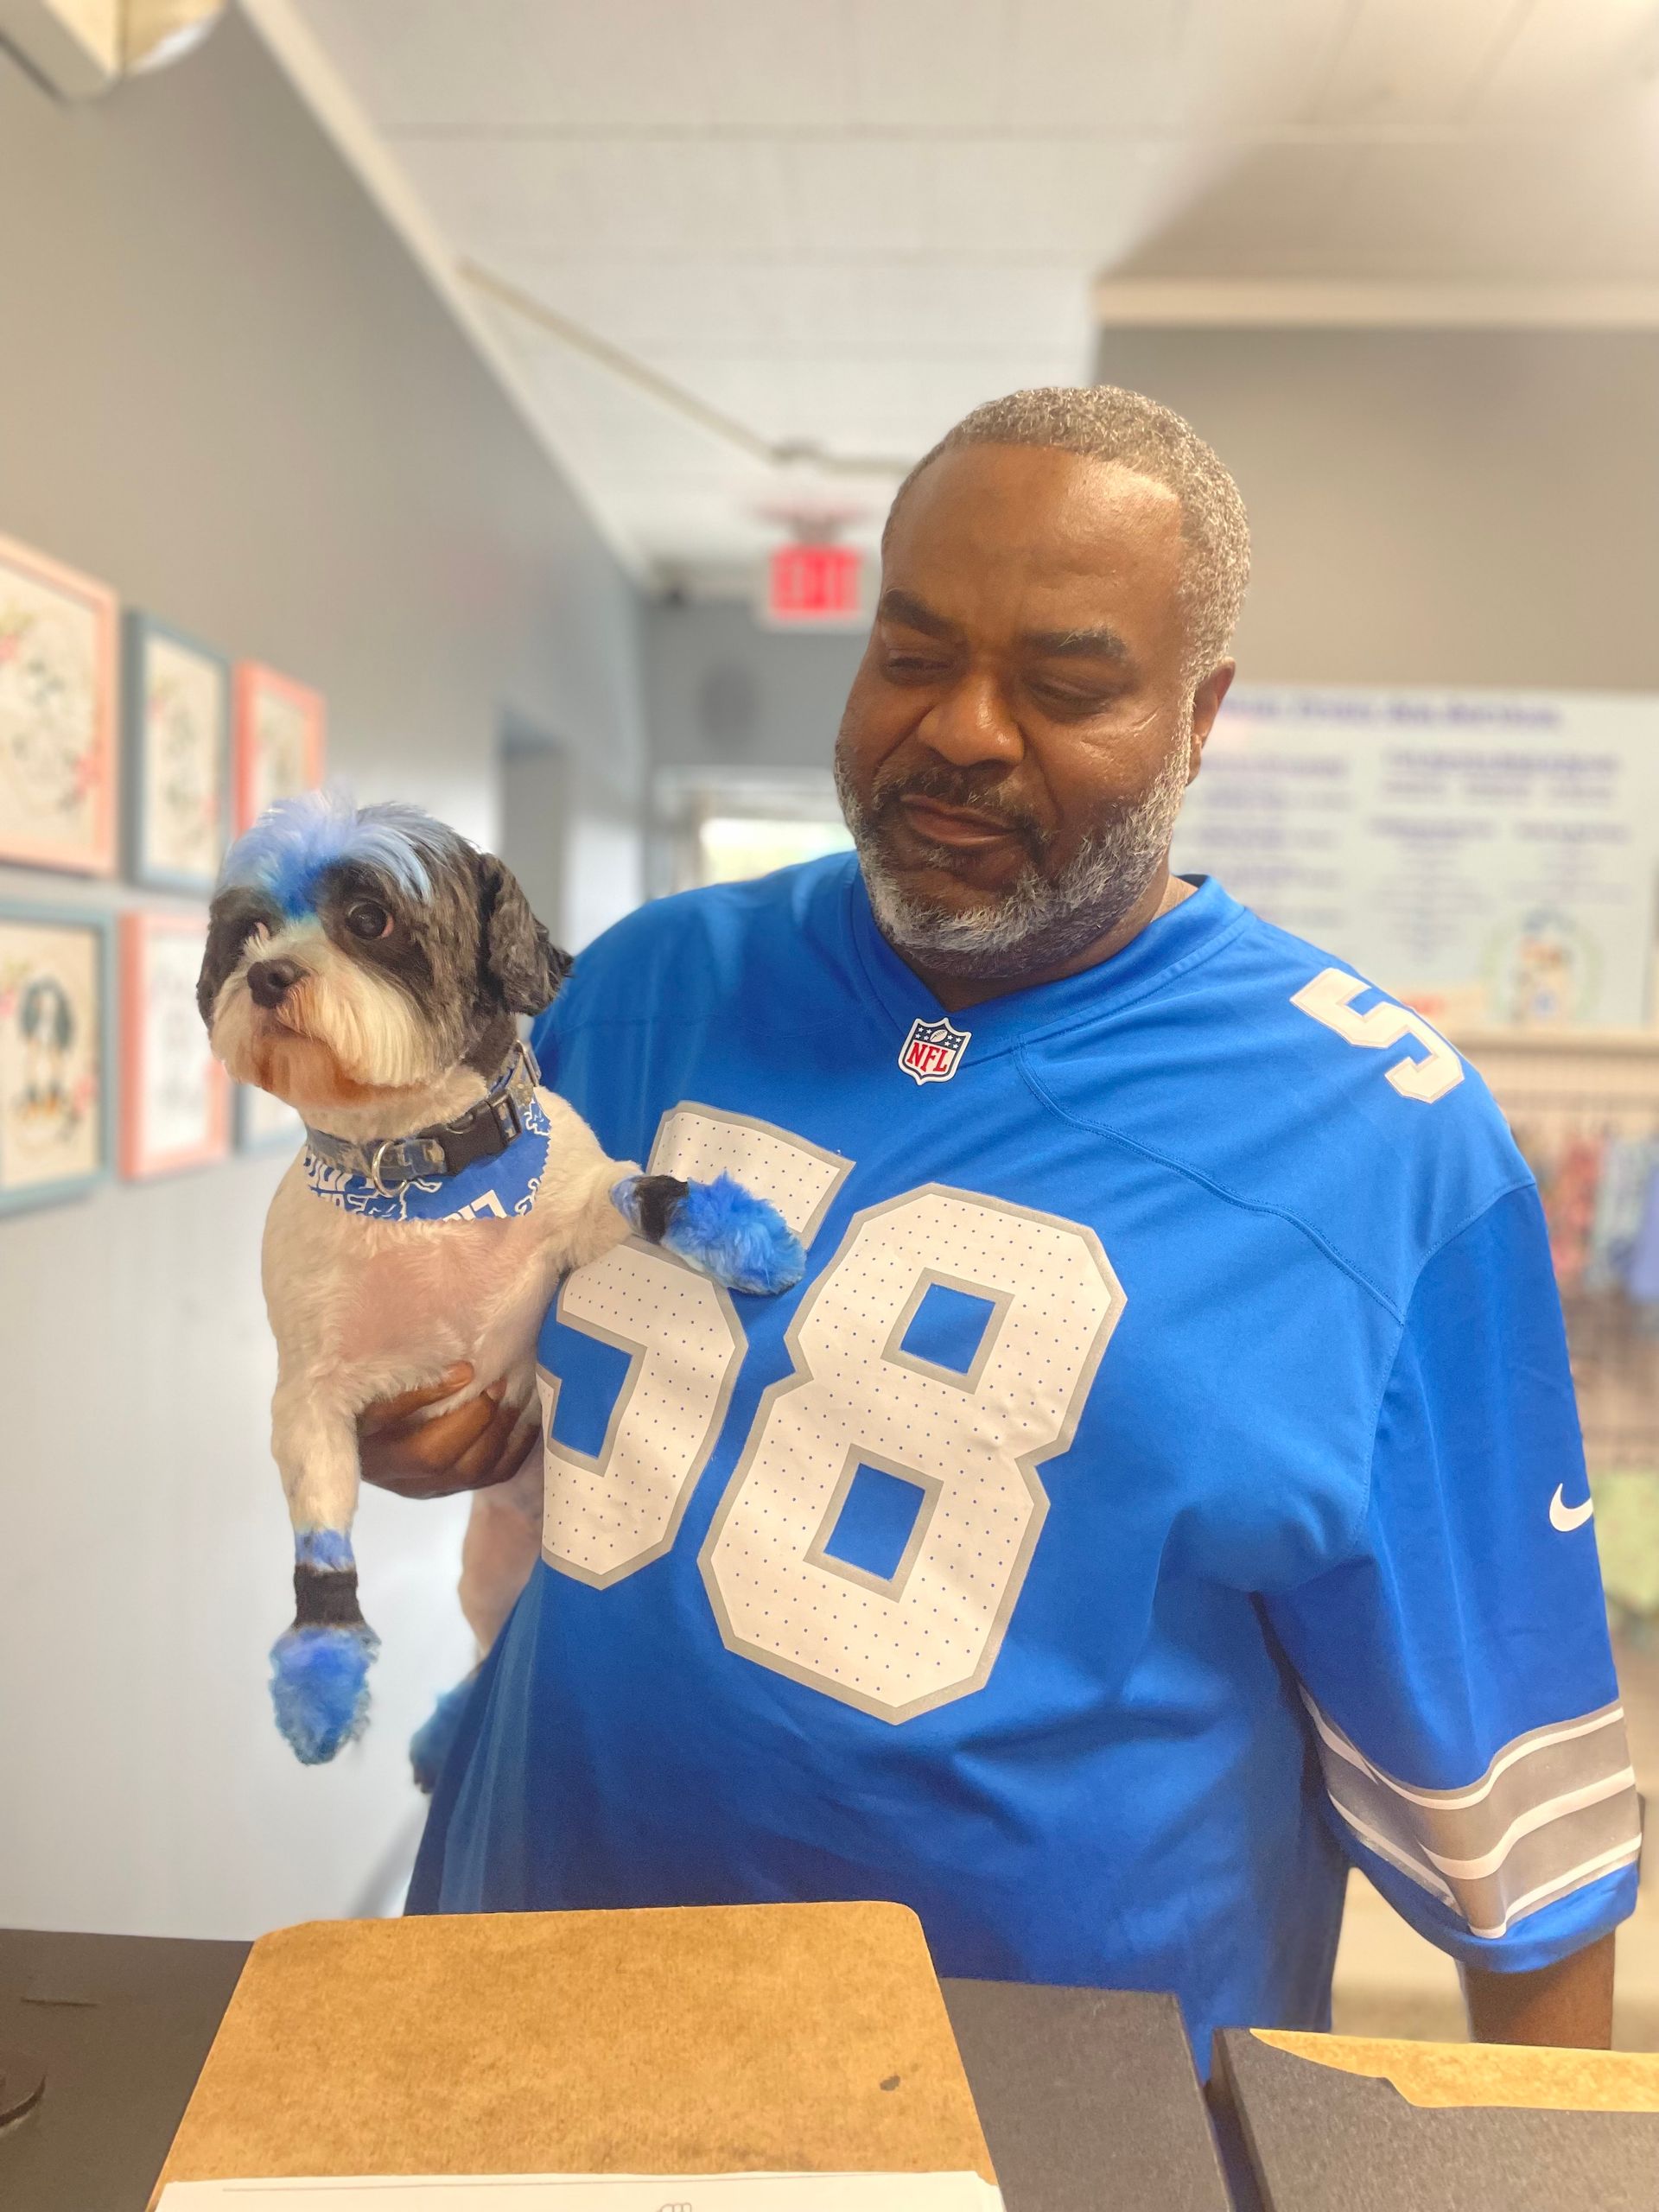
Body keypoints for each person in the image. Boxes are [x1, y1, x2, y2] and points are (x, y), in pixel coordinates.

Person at [366, 388, 1639, 2068]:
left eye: (1066, 680)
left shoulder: (1385, 1149)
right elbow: (521, 1401)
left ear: (1200, 719)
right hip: (530, 2005)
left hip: (1048, 2115)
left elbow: (1527, 1854)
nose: (962, 727)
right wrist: (433, 1417)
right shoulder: (653, 983)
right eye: (912, 650)